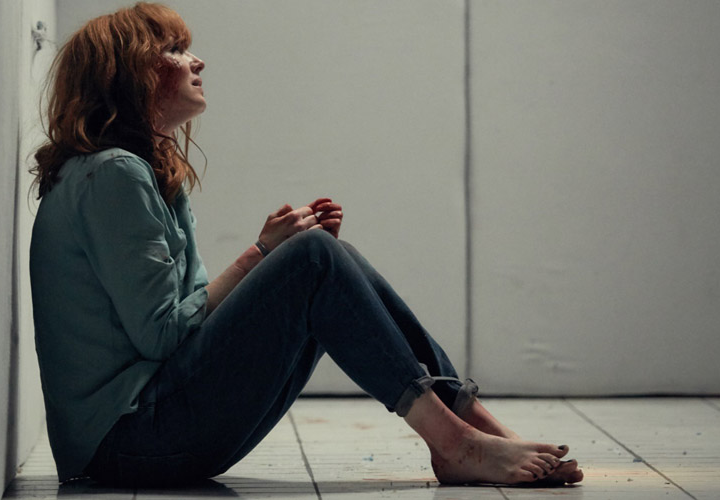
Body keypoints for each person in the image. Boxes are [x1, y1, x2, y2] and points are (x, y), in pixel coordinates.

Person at [29, 2, 583, 489]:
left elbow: (184, 320)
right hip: (127, 443)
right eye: (174, 50)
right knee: (314, 257)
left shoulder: (143, 173)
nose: (197, 61)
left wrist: (284, 262)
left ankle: (473, 425)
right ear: (130, 74)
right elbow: (163, 335)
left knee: (322, 255)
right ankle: (456, 442)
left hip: (148, 430)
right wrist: (263, 255)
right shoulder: (113, 175)